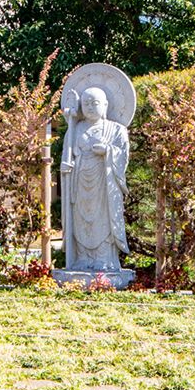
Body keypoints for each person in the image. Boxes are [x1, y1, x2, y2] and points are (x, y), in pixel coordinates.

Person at [61, 87, 130, 271]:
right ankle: (82, 257)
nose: (90, 107)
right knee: (80, 218)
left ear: (106, 105)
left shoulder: (116, 130)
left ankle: (103, 258)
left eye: (95, 103)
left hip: (104, 182)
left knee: (103, 217)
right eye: (86, 104)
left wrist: (108, 151)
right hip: (80, 180)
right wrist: (66, 167)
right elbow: (68, 157)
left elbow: (122, 155)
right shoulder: (74, 129)